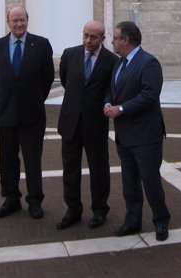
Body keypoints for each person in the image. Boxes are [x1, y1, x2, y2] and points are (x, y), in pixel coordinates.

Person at [0, 6, 54, 220]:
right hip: (5, 114)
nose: (18, 24)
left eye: (22, 20)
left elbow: (48, 77)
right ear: (8, 22)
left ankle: (35, 200)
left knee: (33, 160)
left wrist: (33, 98)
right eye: (14, 20)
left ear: (28, 20)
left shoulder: (41, 45)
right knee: (7, 159)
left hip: (32, 115)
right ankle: (11, 199)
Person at [103, 21, 171, 241]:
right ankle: (132, 221)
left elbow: (149, 95)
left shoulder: (149, 63)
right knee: (129, 182)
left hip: (145, 135)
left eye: (115, 38)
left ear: (126, 40)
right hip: (124, 134)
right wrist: (108, 103)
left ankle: (161, 221)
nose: (112, 41)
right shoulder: (119, 63)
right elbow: (111, 89)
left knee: (150, 181)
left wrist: (121, 109)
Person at [56, 20, 117, 230]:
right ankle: (73, 209)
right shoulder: (70, 54)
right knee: (70, 169)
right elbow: (66, 81)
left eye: (93, 37)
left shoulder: (111, 61)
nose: (88, 40)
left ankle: (100, 210)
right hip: (71, 122)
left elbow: (110, 88)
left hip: (95, 124)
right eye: (85, 35)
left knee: (99, 169)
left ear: (102, 38)